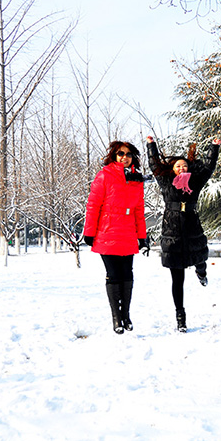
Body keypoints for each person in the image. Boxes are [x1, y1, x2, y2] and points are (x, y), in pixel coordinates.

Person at [146, 135, 221, 333]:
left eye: (184, 166)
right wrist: (151, 145)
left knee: (200, 256)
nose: (182, 168)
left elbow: (208, 168)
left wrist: (214, 148)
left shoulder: (195, 182)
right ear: (172, 169)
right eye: (178, 166)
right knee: (177, 277)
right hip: (171, 229)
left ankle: (201, 272)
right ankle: (180, 317)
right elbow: (154, 166)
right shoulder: (165, 181)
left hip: (191, 224)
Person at [83, 140, 148, 334]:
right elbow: (93, 205)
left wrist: (142, 237)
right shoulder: (104, 175)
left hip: (127, 233)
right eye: (121, 153)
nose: (124, 157)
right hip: (107, 231)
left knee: (127, 274)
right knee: (113, 274)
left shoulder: (137, 180)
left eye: (128, 154)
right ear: (114, 155)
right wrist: (89, 231)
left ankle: (126, 315)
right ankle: (116, 318)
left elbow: (139, 210)